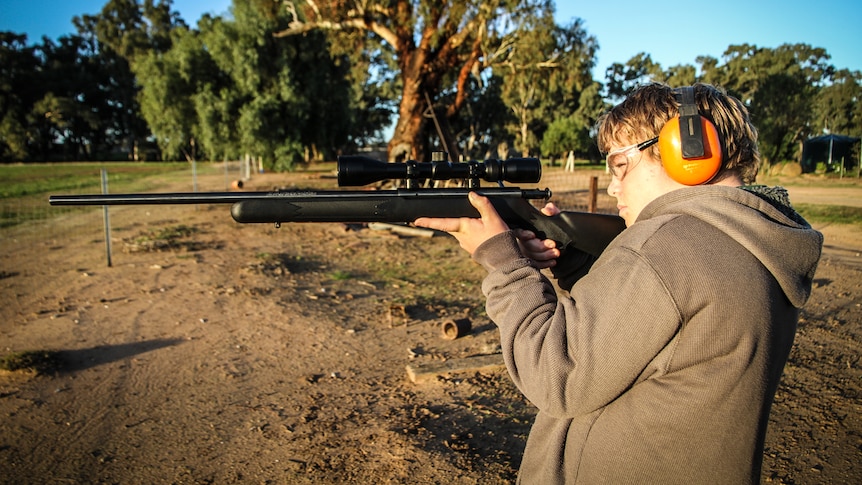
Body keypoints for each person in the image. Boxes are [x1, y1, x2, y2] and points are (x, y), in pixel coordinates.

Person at [414, 82, 823, 484]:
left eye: (621, 165)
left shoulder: (666, 245)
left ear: (688, 152)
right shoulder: (751, 240)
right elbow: (649, 337)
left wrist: (504, 265)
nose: (612, 187)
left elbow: (558, 376)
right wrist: (572, 261)